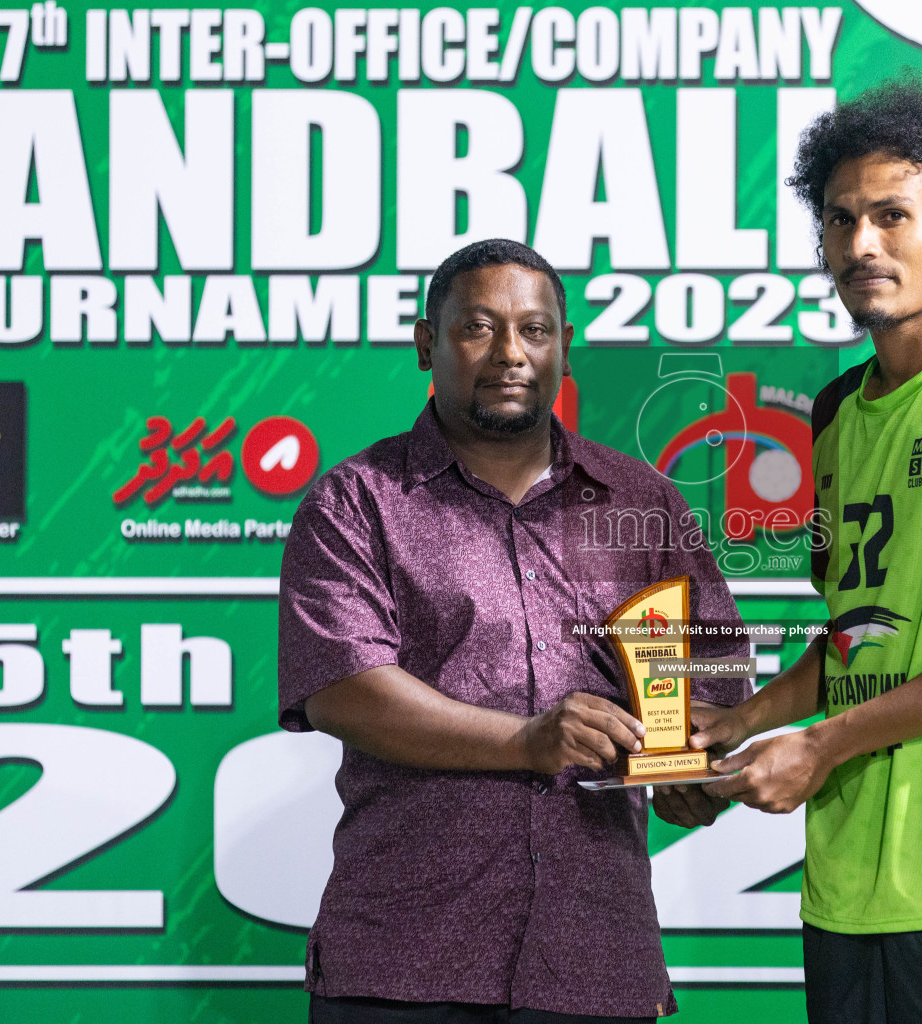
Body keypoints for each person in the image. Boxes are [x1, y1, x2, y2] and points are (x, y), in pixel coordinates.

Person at [661, 80, 922, 1023]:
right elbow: (857, 633)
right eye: (841, 220)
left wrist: (818, 745)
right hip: (848, 878)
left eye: (893, 216)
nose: (861, 245)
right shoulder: (836, 414)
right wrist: (740, 727)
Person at [277, 239, 749, 1023]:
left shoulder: (642, 501)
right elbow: (341, 689)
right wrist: (528, 741)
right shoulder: (357, 501)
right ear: (427, 343)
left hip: (594, 956)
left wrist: (690, 761)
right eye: (478, 328)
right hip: (403, 958)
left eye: (535, 330)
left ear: (564, 346)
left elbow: (712, 662)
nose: (510, 354)